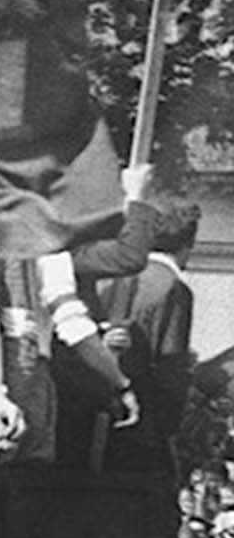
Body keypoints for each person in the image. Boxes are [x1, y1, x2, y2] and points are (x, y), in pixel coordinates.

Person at [98, 203, 200, 474]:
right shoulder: (171, 288)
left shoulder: (106, 276)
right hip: (142, 427)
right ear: (188, 243)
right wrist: (166, 429)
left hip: (91, 419)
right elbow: (172, 371)